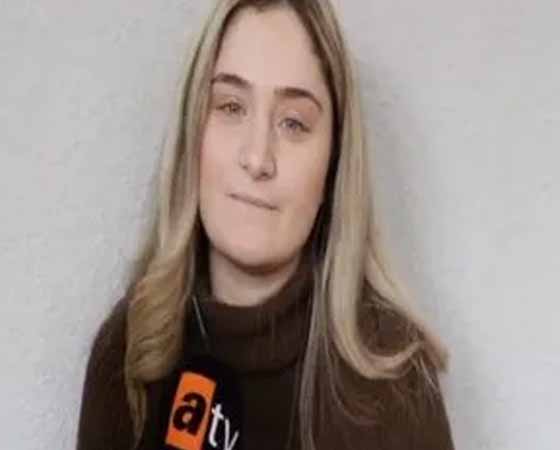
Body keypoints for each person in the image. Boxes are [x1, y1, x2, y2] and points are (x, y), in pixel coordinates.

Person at [76, 1, 455, 449]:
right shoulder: (127, 353)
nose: (257, 158)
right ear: (192, 131)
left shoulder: (395, 380)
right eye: (231, 106)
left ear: (333, 162)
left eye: (293, 123)